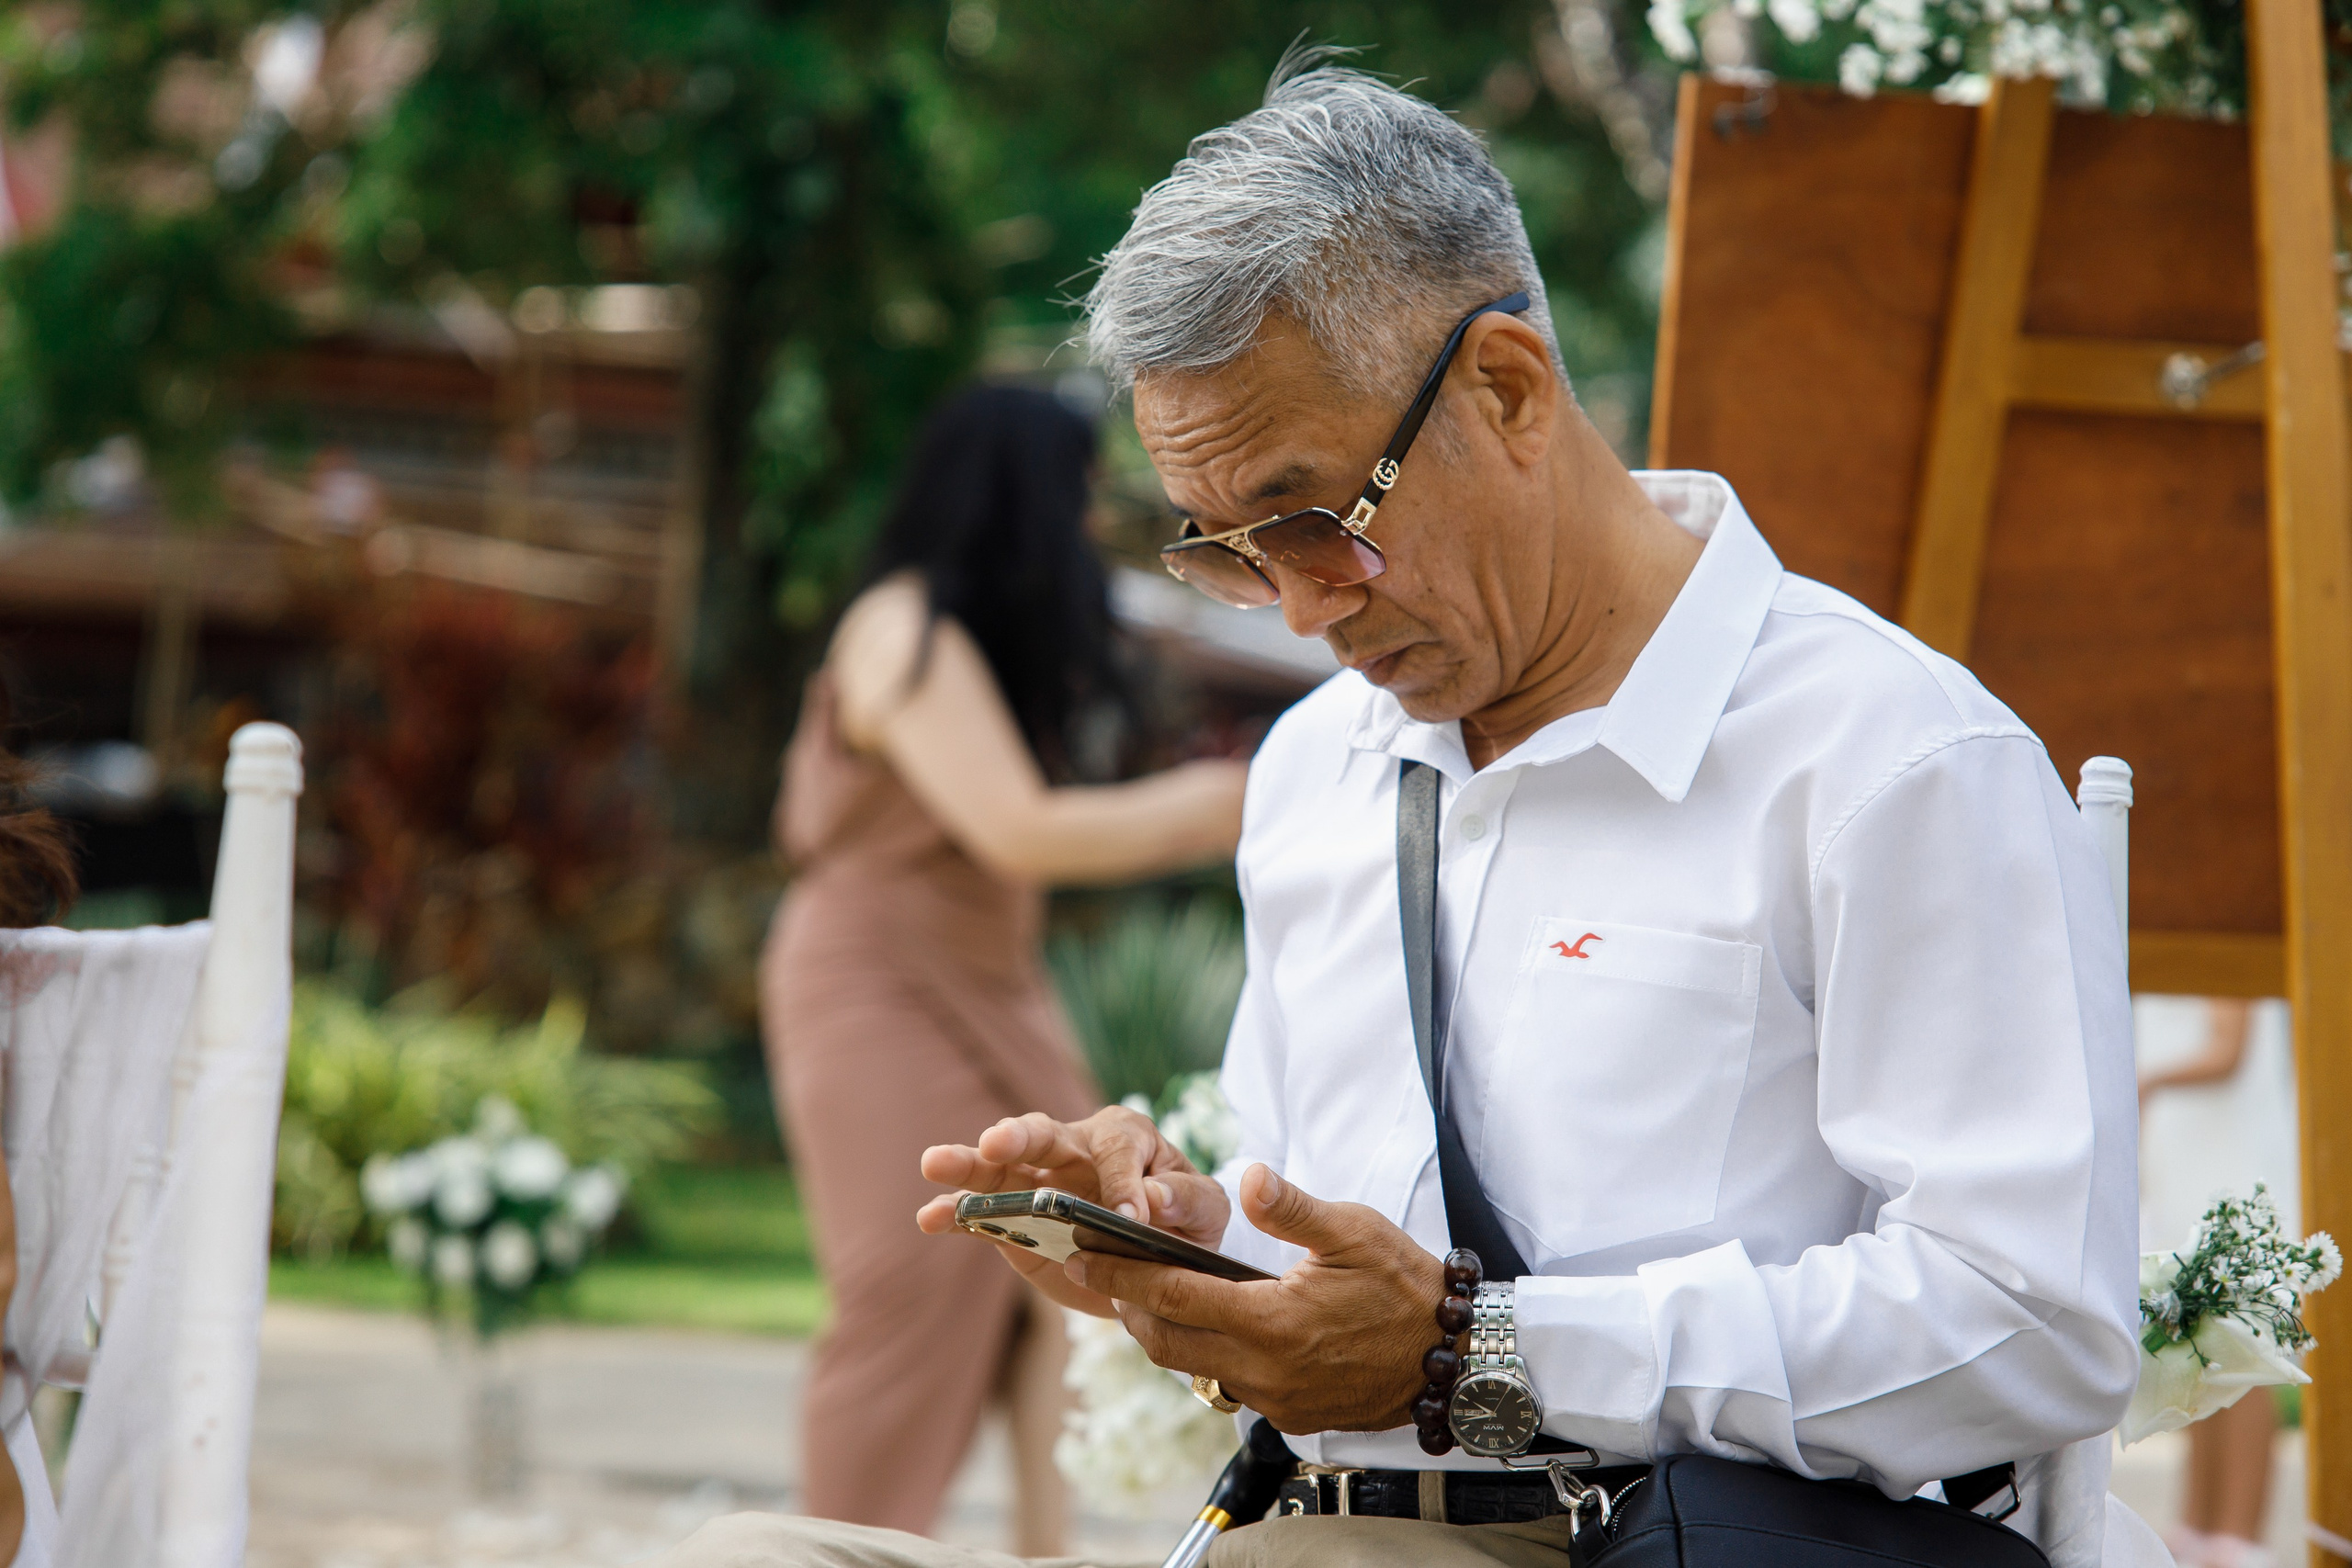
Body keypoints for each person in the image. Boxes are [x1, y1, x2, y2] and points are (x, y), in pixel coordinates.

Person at [652, 61, 2145, 1568]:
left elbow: (2032, 1319)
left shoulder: (1886, 755)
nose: (1299, 609)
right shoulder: (1321, 770)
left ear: (1508, 389)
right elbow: (1351, 1286)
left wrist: (1485, 1352)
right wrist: (1182, 1246)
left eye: (1312, 522)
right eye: (1228, 551)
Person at [758, 383, 1248, 1551]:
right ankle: (839, 1552)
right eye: (1076, 500)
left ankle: (1044, 1552)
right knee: (908, 1290)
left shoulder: (966, 645)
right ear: (1018, 499)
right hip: (876, 982)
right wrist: (1243, 797)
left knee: (1052, 1278)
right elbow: (1019, 831)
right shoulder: (900, 629)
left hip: (990, 980)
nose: (1089, 529)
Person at [2137, 995, 2299, 1568]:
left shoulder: (2210, 930)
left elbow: (2230, 1048)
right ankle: (2200, 1524)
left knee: (2244, 1355)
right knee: (2196, 1353)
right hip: (2187, 1162)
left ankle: (2239, 1537)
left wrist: (2142, 1083)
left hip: (2228, 1170)